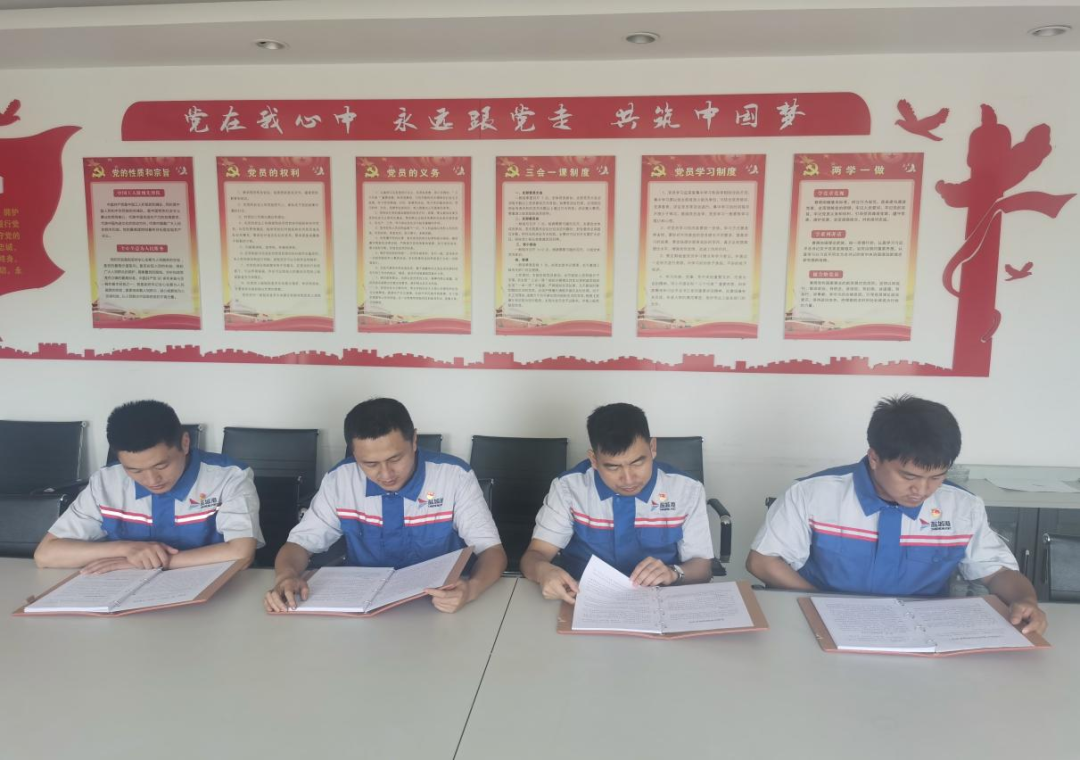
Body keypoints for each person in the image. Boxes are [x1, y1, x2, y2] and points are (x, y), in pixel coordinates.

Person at [747, 394, 1047, 634]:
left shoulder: (962, 506)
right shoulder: (813, 494)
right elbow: (763, 561)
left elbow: (998, 572)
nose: (923, 490)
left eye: (937, 477)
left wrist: (1025, 600)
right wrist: (824, 603)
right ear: (874, 458)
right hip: (823, 625)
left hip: (922, 630)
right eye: (908, 476)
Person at [265, 398, 506, 613]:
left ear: (414, 440)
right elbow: (299, 545)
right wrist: (286, 576)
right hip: (362, 605)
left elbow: (492, 552)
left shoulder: (453, 476)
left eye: (395, 459)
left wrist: (471, 589)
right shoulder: (340, 480)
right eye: (370, 464)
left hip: (437, 604)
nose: (386, 474)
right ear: (354, 454)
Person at [34, 400, 261, 572]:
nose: (152, 480)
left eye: (161, 465)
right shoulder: (106, 482)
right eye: (135, 470)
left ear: (184, 443)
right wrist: (126, 549)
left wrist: (151, 563)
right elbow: (46, 554)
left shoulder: (229, 477)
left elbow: (241, 553)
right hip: (124, 593)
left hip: (209, 590)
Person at [520, 403, 713, 603]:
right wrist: (543, 571)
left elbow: (703, 568)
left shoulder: (687, 490)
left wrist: (673, 573)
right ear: (594, 459)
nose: (628, 479)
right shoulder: (569, 488)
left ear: (653, 448)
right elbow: (534, 556)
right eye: (613, 467)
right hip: (581, 598)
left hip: (660, 600)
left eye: (637, 462)